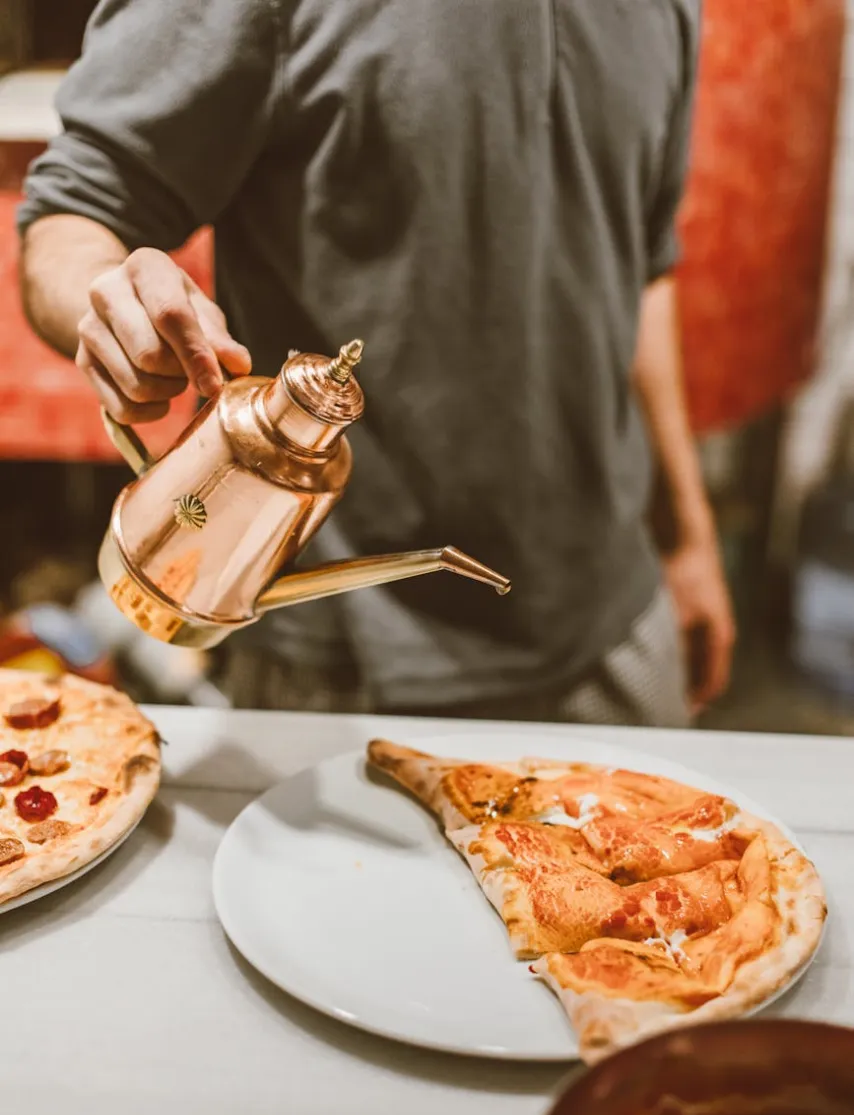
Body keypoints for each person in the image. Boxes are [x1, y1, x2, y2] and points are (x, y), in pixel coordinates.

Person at [18, 0, 734, 727]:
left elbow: (641, 268)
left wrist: (689, 536)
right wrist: (107, 304)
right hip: (353, 662)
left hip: (620, 618)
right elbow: (77, 211)